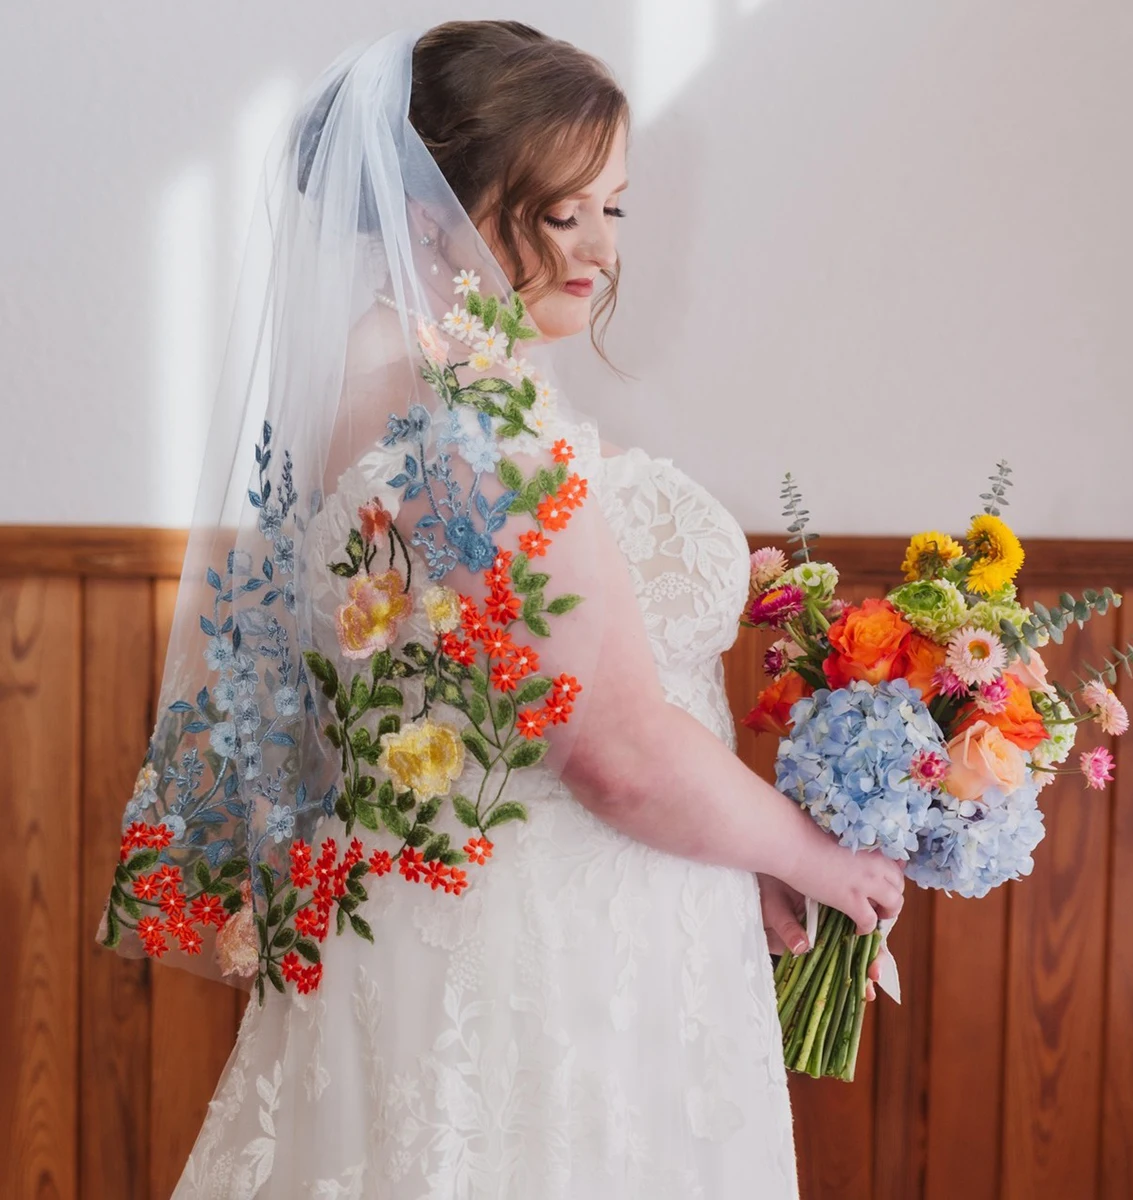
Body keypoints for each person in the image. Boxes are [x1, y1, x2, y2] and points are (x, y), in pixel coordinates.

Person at [98, 21, 902, 1199]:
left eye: (612, 208)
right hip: (559, 958)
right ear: (433, 212)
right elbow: (615, 748)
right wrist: (826, 864)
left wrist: (749, 852)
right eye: (559, 210)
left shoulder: (371, 395)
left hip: (474, 926)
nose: (598, 251)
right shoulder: (466, 424)